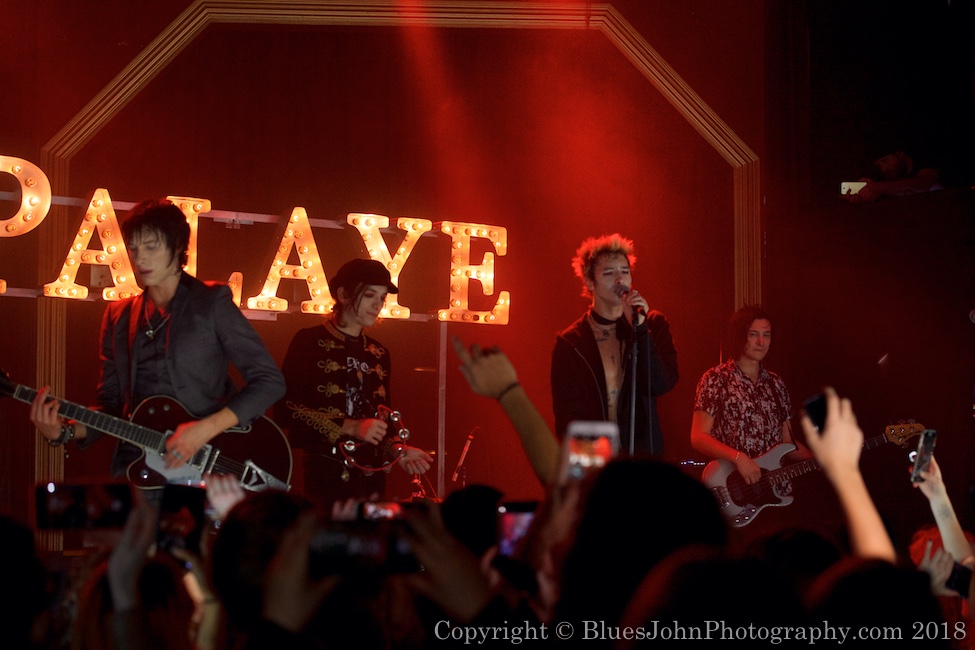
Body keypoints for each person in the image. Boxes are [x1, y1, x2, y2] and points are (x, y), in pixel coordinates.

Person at [29, 199, 286, 494]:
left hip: (208, 467)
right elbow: (112, 407)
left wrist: (204, 429)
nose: (140, 259)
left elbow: (270, 382)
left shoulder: (210, 302)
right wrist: (63, 431)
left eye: (151, 247)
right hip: (139, 469)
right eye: (134, 248)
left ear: (178, 246)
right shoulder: (118, 316)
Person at [276, 258, 432, 512]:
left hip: (372, 482)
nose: (378, 305)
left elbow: (382, 421)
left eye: (382, 298)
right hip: (323, 479)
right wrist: (350, 426)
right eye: (370, 295)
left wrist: (397, 450)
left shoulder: (379, 353)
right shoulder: (309, 342)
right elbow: (287, 410)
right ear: (344, 294)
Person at [550, 233, 678, 457]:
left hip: (642, 460)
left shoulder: (652, 325)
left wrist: (640, 330)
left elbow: (661, 383)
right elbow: (567, 415)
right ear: (590, 282)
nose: (620, 279)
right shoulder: (571, 342)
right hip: (596, 464)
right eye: (609, 273)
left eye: (625, 272)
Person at [690, 304, 812, 487]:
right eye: (753, 335)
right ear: (740, 336)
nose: (761, 342)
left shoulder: (776, 384)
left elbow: (787, 443)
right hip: (735, 488)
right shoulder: (716, 378)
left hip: (775, 490)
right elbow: (699, 437)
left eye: (766, 335)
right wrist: (738, 458)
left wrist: (816, 459)